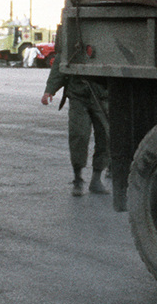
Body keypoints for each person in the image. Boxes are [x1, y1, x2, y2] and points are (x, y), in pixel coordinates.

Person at [40, 17, 110, 196]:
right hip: (79, 94)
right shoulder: (74, 32)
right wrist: (49, 91)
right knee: (79, 135)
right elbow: (60, 61)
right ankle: (78, 178)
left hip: (102, 96)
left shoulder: (108, 32)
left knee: (106, 135)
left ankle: (96, 178)